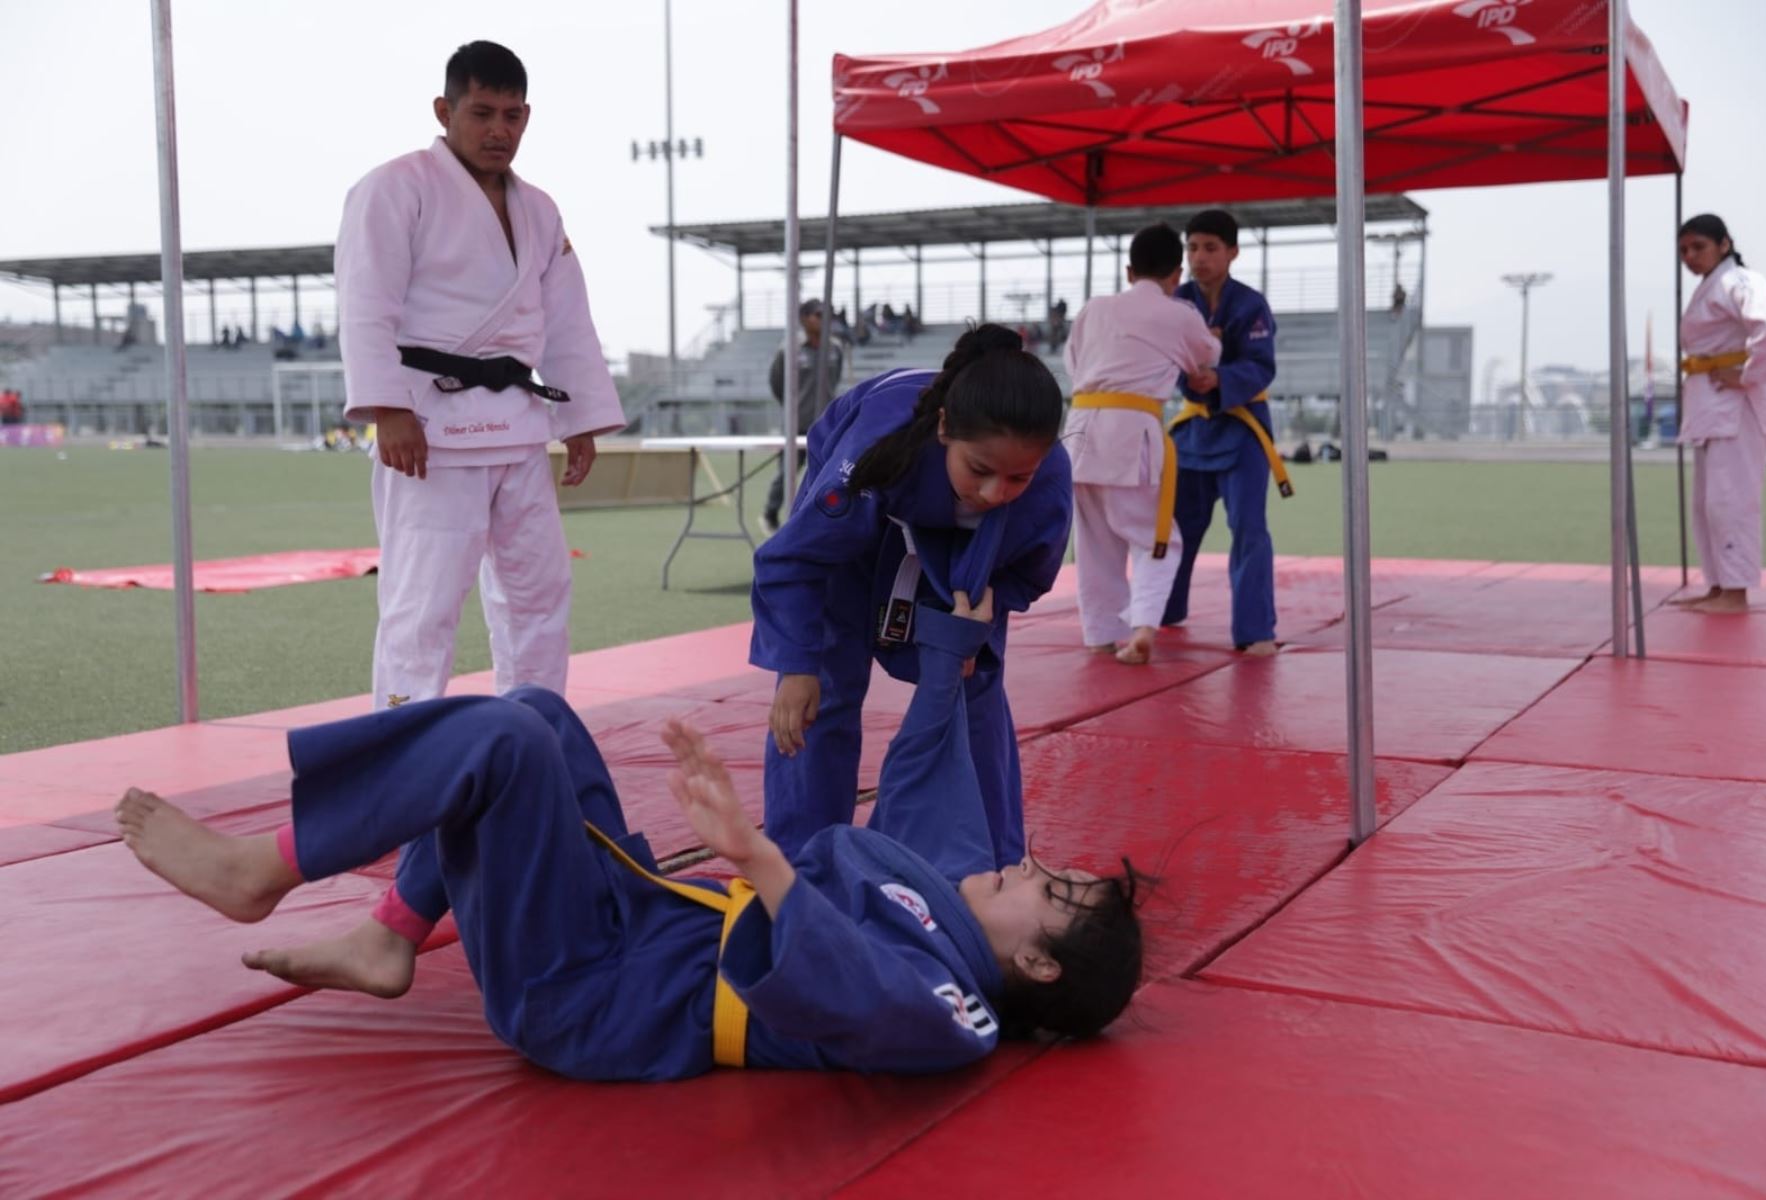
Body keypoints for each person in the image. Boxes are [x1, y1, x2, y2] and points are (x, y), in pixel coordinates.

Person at [113, 589, 1146, 1081]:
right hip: (637, 928)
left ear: (1039, 966)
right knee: (539, 713)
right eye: (1051, 866)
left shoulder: (954, 1013)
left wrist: (760, 860)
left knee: (505, 743)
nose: (1028, 863)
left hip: (595, 996)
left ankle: (263, 869)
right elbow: (932, 781)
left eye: (1050, 889)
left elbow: (855, 992)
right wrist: (955, 651)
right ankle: (390, 935)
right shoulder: (946, 908)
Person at [336, 41, 623, 710]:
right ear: (445, 111)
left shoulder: (539, 209)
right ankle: (405, 751)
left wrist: (579, 418)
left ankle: (535, 731)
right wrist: (387, 409)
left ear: (528, 117)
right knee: (423, 604)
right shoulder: (393, 188)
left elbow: (567, 320)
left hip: (519, 427)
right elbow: (366, 302)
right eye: (482, 113)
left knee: (539, 595)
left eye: (512, 116)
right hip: (430, 428)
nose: (499, 131)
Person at [752, 325, 1072, 869]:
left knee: (974, 690)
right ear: (944, 428)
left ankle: (990, 865)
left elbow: (1027, 575)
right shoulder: (877, 445)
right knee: (820, 691)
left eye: (1017, 477)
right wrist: (796, 665)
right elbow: (797, 559)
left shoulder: (1047, 485)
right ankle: (801, 866)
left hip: (968, 568)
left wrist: (985, 609)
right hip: (857, 534)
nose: (994, 492)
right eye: (980, 470)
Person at [1065, 224, 1221, 665]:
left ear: (1129, 271)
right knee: (1155, 536)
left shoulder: (1093, 309)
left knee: (1094, 545)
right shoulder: (1180, 313)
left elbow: (1074, 364)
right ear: (1176, 274)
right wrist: (1214, 342)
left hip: (1079, 431)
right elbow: (1206, 358)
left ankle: (1099, 635)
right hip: (1130, 431)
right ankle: (1144, 626)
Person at [1159, 209, 1287, 655]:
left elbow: (1261, 366)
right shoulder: (1177, 302)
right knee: (1175, 527)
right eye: (1193, 248)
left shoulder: (1251, 305)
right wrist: (1191, 374)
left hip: (1243, 429)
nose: (1199, 257)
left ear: (1232, 252)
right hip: (1193, 431)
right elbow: (1164, 358)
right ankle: (1162, 609)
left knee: (1249, 528)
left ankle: (1254, 629)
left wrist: (1219, 377)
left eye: (1210, 248)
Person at [1671, 214, 1766, 614]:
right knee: (1707, 505)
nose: (1690, 256)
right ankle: (1719, 585)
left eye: (1699, 247)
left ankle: (1736, 593)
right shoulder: (1712, 286)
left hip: (1736, 408)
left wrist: (1750, 374)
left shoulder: (1740, 280)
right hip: (1710, 404)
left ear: (1724, 244)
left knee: (1731, 502)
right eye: (1684, 250)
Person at [763, 298, 845, 534]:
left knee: (828, 472)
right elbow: (777, 382)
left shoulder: (835, 348)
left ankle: (819, 519)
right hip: (798, 423)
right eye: (819, 315)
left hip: (827, 424)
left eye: (828, 314)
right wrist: (794, 407)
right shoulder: (789, 350)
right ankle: (770, 513)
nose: (825, 319)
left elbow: (835, 379)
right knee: (787, 472)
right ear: (804, 318)